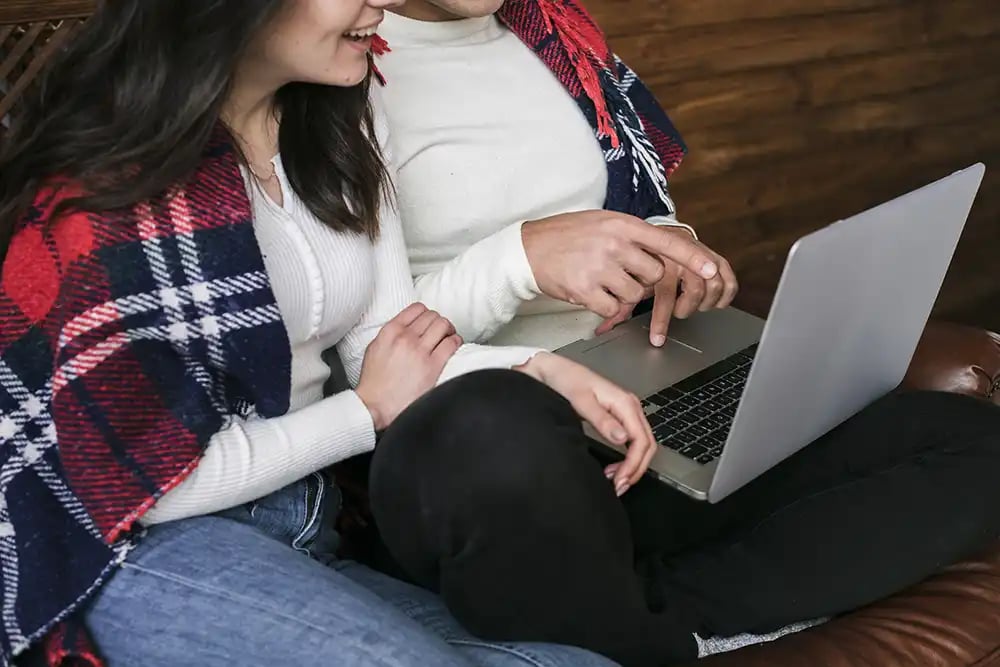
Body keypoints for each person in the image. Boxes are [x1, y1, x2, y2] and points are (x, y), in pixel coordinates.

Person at [0, 1, 725, 665]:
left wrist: (540, 371)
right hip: (127, 548)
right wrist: (363, 412)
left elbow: (386, 341)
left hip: (302, 521)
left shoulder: (339, 114)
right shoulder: (104, 191)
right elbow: (151, 486)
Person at [356, 1, 1000, 665]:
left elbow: (634, 199)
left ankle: (657, 605)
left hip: (631, 391)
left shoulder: (550, 32)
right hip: (494, 451)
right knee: (501, 437)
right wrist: (521, 261)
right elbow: (361, 351)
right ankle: (626, 613)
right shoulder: (337, 63)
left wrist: (667, 246)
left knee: (977, 445)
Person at [373, 0, 738, 351]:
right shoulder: (344, 68)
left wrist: (661, 240)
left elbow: (633, 189)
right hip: (484, 392)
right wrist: (521, 259)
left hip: (628, 349)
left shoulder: (560, 31)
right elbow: (366, 350)